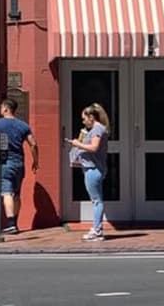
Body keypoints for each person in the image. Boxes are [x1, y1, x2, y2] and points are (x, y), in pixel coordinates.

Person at [0, 98, 38, 234]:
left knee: (6, 193)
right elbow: (33, 144)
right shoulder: (23, 125)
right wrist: (35, 161)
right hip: (19, 163)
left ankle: (11, 223)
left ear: (6, 108)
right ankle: (15, 222)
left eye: (1, 107)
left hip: (4, 163)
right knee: (16, 194)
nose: (0, 110)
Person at [65, 103, 110, 241]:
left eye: (84, 119)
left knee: (96, 201)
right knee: (96, 200)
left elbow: (94, 147)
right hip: (93, 168)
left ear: (91, 117)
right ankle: (97, 228)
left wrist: (77, 144)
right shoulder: (98, 129)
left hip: (93, 169)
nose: (83, 122)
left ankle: (97, 230)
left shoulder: (97, 129)